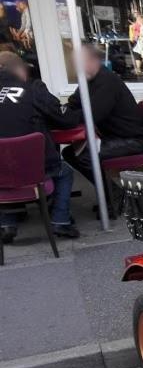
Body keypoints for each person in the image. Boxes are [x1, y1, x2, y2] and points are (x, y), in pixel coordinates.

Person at [0, 52, 81, 241]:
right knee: (65, 172)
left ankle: (6, 225)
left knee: (6, 172)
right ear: (20, 70)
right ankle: (60, 222)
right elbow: (66, 119)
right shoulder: (33, 89)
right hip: (35, 170)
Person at [62, 44, 143, 187]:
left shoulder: (107, 81)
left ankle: (112, 196)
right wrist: (60, 112)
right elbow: (73, 103)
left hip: (131, 140)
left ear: (94, 61)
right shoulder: (88, 81)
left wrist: (65, 117)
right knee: (70, 153)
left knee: (84, 156)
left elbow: (92, 116)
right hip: (111, 137)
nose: (77, 69)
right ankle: (111, 194)